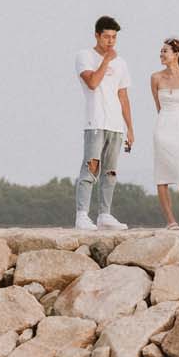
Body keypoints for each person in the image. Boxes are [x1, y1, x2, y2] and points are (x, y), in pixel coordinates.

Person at [75, 16, 134, 231]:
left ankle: (104, 214)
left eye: (114, 37)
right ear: (97, 35)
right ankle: (82, 214)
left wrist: (130, 128)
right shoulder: (85, 56)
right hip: (95, 121)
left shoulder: (122, 63)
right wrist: (106, 61)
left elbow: (123, 96)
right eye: (107, 36)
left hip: (116, 124)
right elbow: (92, 83)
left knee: (110, 171)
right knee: (91, 166)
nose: (110, 41)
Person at [150, 37, 179, 229]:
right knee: (161, 176)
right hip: (163, 126)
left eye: (165, 51)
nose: (161, 54)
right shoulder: (155, 78)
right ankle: (170, 220)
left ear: (176, 54)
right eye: (161, 51)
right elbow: (158, 105)